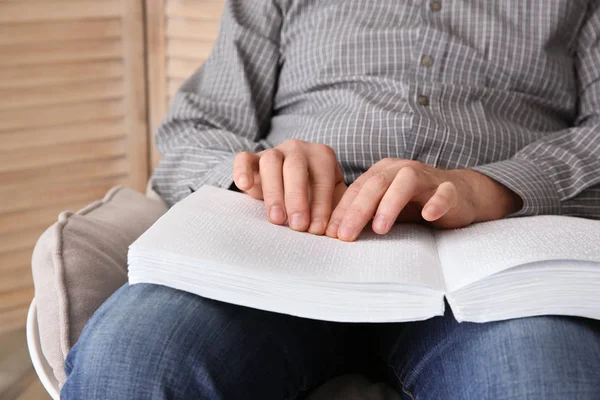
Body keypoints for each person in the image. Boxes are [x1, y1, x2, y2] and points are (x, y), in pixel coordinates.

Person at [62, 1, 600, 398]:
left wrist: (493, 187)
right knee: (133, 357)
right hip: (283, 240)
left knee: (543, 377)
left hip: (491, 252)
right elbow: (194, 129)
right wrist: (255, 173)